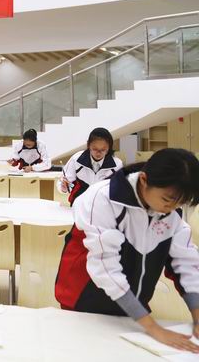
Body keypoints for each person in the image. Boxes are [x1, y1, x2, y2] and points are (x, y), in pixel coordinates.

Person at [55, 149, 199, 354]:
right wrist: (153, 328)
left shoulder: (169, 211)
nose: (172, 208)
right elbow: (105, 269)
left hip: (132, 307)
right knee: (84, 353)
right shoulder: (103, 198)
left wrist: (197, 315)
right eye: (168, 199)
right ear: (144, 180)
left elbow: (186, 264)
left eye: (180, 203)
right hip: (84, 301)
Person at [59, 127, 123, 205]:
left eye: (103, 150)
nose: (98, 153)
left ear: (109, 148)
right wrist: (64, 188)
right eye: (95, 149)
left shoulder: (117, 165)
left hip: (103, 204)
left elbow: (118, 190)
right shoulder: (76, 159)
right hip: (79, 201)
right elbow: (65, 182)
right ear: (88, 145)